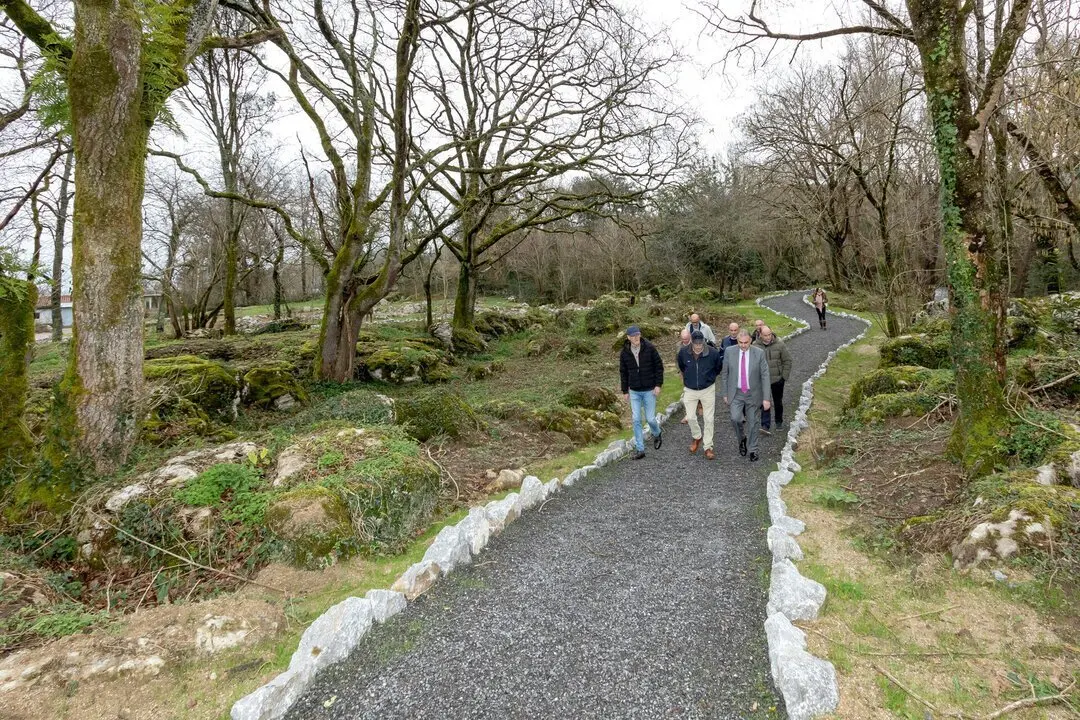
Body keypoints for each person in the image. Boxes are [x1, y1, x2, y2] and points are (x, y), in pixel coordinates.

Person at [721, 329, 772, 462]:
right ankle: (741, 438)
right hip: (736, 393)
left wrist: (766, 398)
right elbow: (725, 374)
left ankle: (753, 449)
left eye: (746, 342)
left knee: (753, 422)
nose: (743, 345)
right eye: (740, 342)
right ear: (737, 341)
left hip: (753, 394)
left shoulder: (759, 353)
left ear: (751, 341)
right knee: (735, 418)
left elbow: (765, 376)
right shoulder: (729, 352)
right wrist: (725, 393)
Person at [677, 330, 723, 460]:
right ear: (692, 342)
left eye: (700, 343)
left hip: (707, 389)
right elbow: (681, 366)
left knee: (709, 419)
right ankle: (697, 436)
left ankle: (708, 446)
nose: (698, 346)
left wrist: (710, 378)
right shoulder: (683, 352)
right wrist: (688, 378)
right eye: (696, 344)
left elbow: (718, 368)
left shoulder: (713, 353)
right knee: (690, 417)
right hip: (690, 389)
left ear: (703, 341)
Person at [619, 325, 663, 460]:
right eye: (633, 336)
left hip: (649, 389)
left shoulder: (650, 348)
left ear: (640, 335)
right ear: (628, 338)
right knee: (636, 419)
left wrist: (658, 385)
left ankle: (657, 433)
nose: (635, 338)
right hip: (634, 391)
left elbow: (658, 367)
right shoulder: (624, 352)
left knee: (650, 419)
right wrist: (625, 390)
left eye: (637, 335)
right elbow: (623, 372)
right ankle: (640, 449)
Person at [753, 325, 792, 434]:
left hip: (777, 379)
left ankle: (779, 421)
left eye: (769, 334)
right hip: (762, 381)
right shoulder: (755, 346)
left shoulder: (780, 344)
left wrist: (783, 377)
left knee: (778, 401)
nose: (768, 337)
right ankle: (765, 425)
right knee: (764, 402)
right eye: (765, 335)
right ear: (760, 335)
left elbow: (788, 360)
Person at [675, 329, 698, 425]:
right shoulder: (678, 346)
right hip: (683, 372)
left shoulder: (695, 344)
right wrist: (679, 371)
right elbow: (676, 359)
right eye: (683, 339)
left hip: (695, 372)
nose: (685, 341)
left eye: (686, 339)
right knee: (687, 393)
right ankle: (688, 414)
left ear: (690, 337)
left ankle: (699, 406)